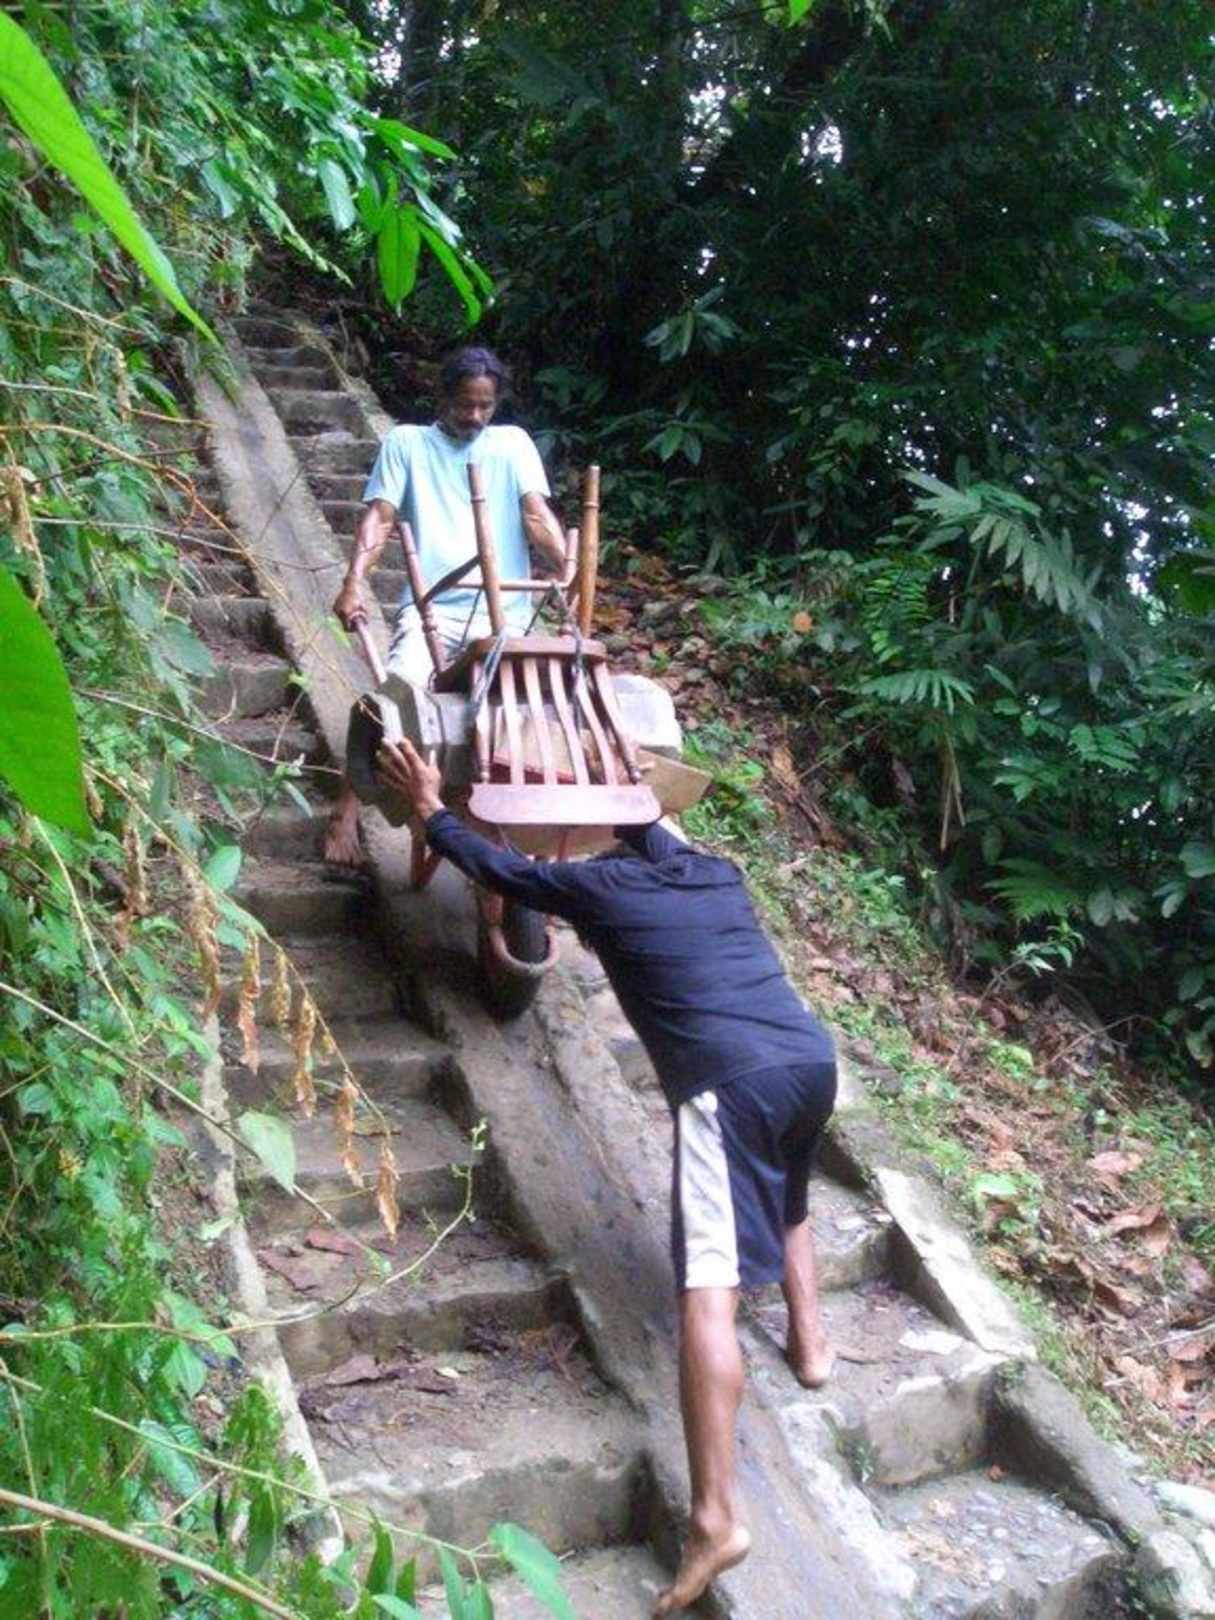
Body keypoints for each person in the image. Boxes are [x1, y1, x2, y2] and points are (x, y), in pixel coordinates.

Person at [375, 735, 838, 1618]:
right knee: (789, 1195)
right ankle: (811, 1343)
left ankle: (715, 1518)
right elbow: (644, 826)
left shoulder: (594, 889)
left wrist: (431, 804)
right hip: (807, 1061)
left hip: (728, 1086)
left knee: (707, 1292)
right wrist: (610, 783)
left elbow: (494, 868)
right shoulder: (715, 874)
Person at [325, 345, 566, 866]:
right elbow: (379, 518)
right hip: (432, 608)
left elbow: (536, 513)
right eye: (465, 405)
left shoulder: (513, 444)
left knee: (525, 711)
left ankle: (506, 816)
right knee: (394, 697)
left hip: (505, 615)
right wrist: (353, 582)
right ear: (443, 397)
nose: (475, 416)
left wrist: (566, 562)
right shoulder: (407, 443)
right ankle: (345, 810)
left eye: (485, 406)